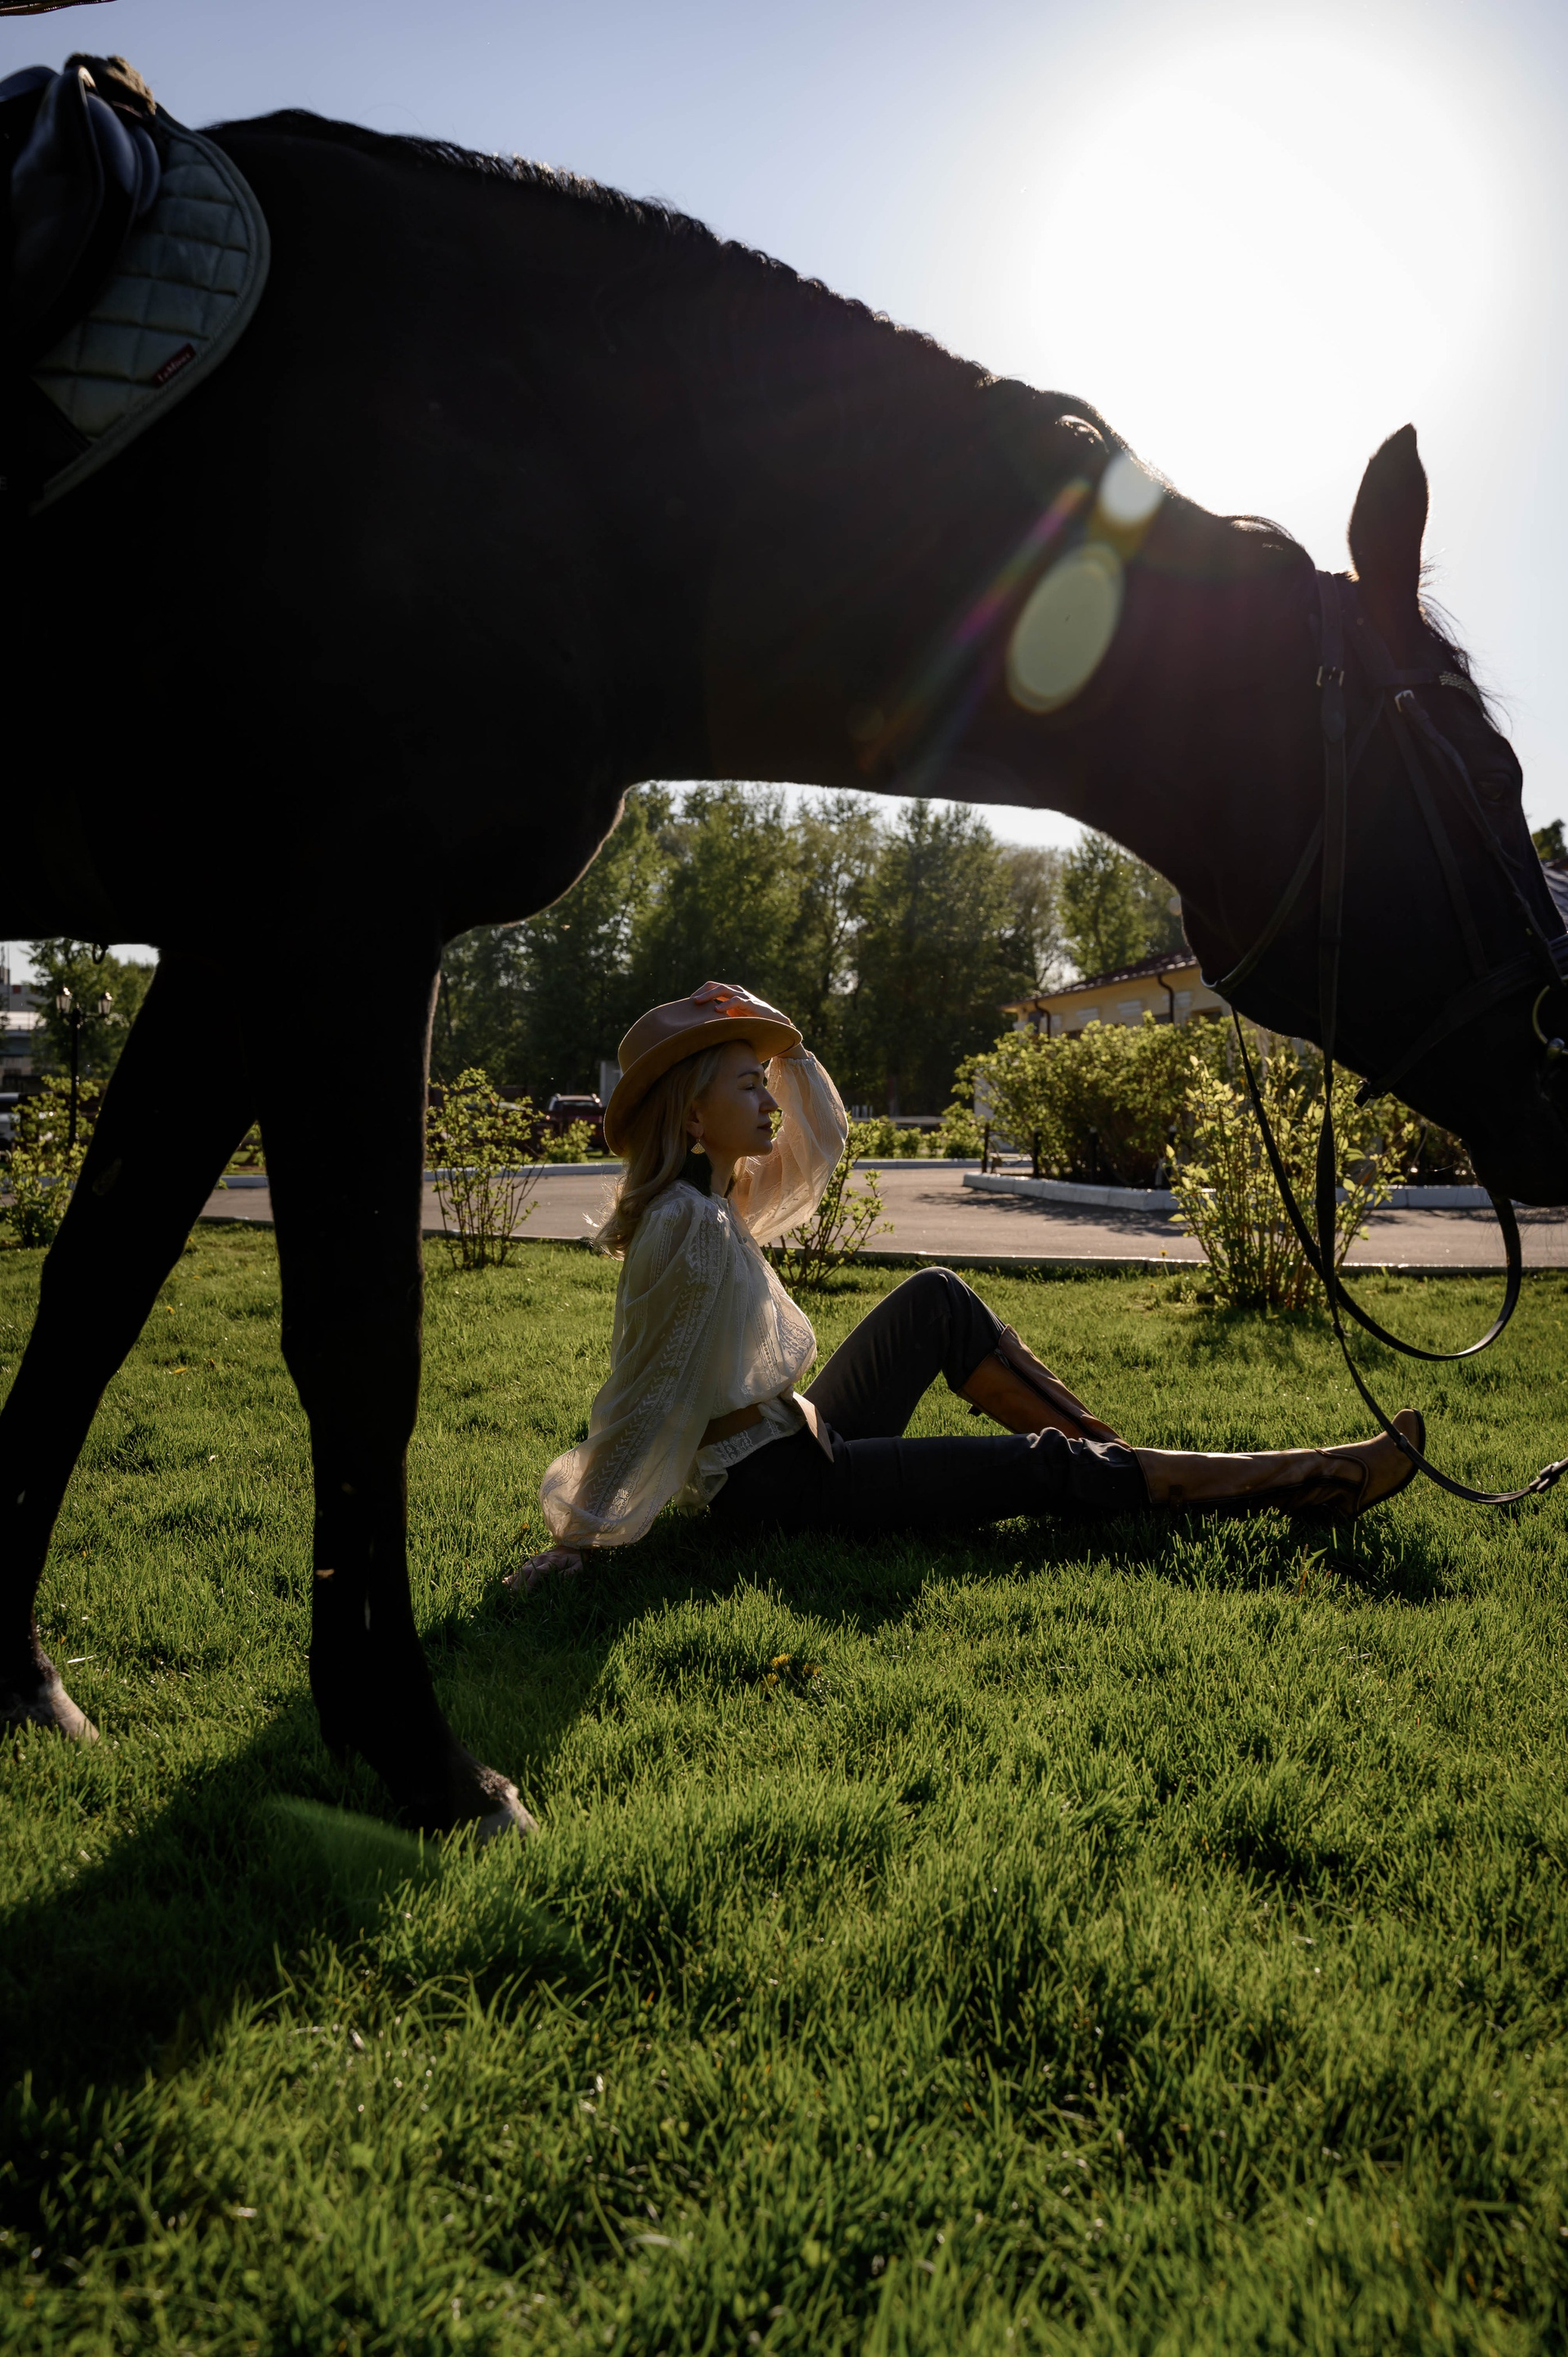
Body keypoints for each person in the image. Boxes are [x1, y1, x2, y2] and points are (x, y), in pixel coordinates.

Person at [514, 982, 1421, 1586]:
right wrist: (581, 1536)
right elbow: (644, 1389)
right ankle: (1314, 1479)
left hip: (795, 1441)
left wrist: (768, 1034)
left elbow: (819, 1140)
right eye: (749, 1086)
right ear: (692, 1113)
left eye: (766, 1082)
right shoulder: (688, 1224)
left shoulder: (716, 1199)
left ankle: (1118, 1469)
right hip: (776, 1493)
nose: (771, 1102)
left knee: (936, 1298)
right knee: (1037, 1466)